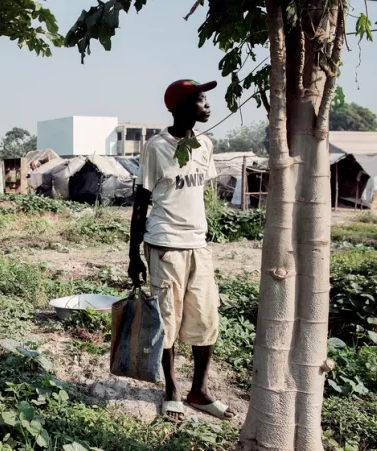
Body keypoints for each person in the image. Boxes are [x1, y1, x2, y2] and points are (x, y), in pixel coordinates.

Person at [128, 79, 235, 421]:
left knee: (206, 319)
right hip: (164, 246)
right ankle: (172, 390)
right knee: (167, 321)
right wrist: (133, 255)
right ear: (180, 107)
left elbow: (199, 194)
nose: (207, 105)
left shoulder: (205, 145)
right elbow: (141, 203)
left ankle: (198, 391)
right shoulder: (156, 147)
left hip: (198, 246)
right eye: (201, 100)